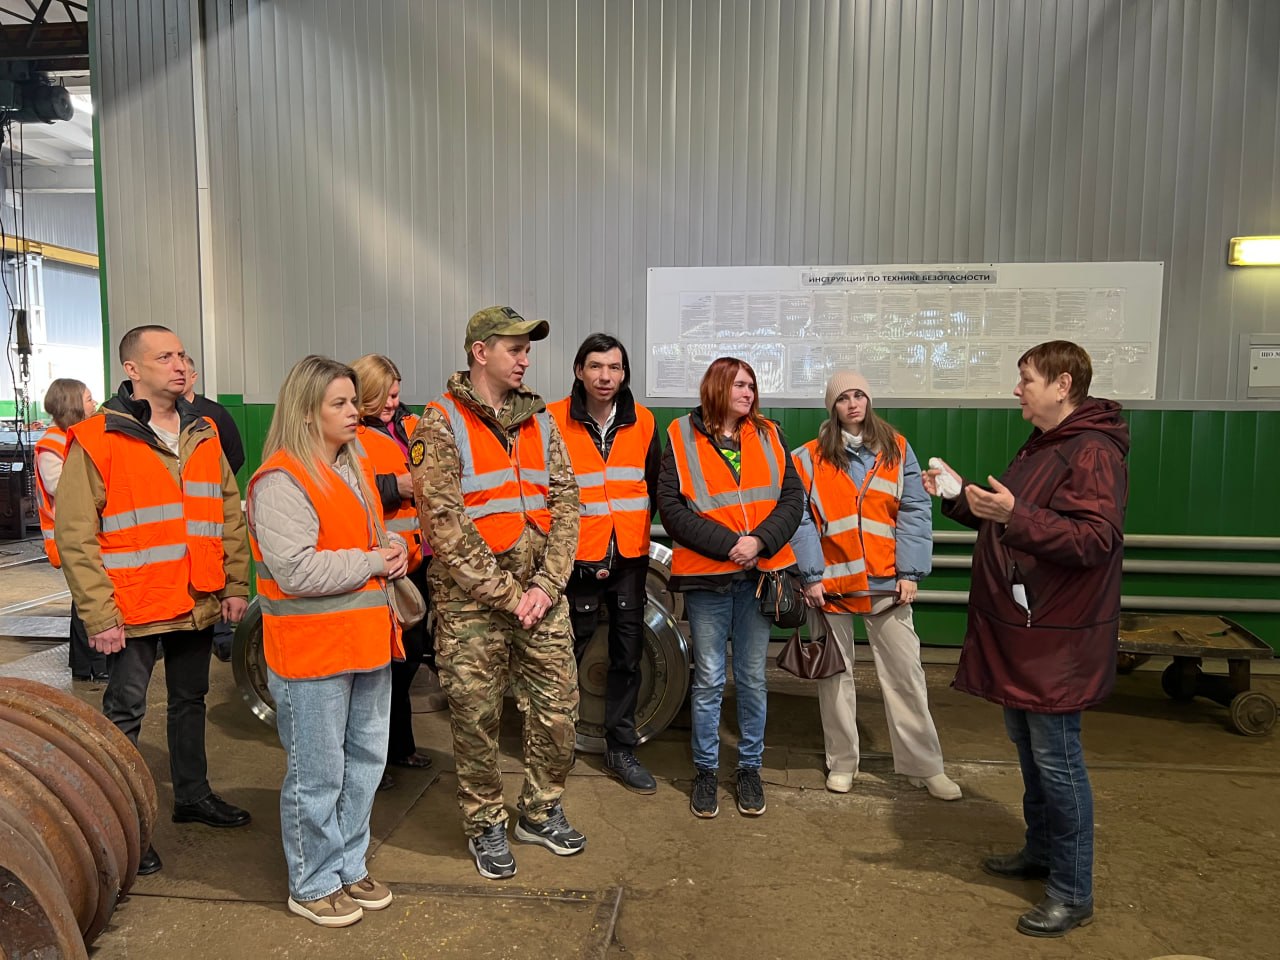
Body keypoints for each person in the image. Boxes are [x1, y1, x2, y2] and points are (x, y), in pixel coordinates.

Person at [923, 340, 1129, 938]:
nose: (1018, 390)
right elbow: (1009, 515)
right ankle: (1040, 853)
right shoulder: (1046, 445)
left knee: (1059, 762)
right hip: (1029, 632)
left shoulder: (1090, 451)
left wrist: (1014, 515)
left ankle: (1072, 891)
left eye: (1027, 379)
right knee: (1029, 749)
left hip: (1057, 639)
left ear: (1063, 385)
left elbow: (1093, 541)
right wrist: (960, 497)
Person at [55, 325, 253, 878]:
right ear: (132, 371)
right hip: (133, 607)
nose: (179, 365)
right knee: (125, 714)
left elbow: (228, 514)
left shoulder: (204, 433)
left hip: (194, 598)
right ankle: (125, 823)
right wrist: (99, 615)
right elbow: (75, 535)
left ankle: (192, 796)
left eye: (183, 356)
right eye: (163, 357)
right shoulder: (98, 438)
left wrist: (235, 585)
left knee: (190, 703)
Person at [409, 305, 583, 880]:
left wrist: (546, 585)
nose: (525, 357)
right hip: (473, 605)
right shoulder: (439, 422)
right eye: (514, 347)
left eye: (528, 348)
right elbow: (444, 525)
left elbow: (566, 503)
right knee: (476, 721)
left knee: (558, 713)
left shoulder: (541, 421)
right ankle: (485, 823)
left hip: (542, 596)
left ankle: (539, 810)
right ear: (480, 352)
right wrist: (512, 595)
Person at [246, 355, 407, 928]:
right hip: (311, 653)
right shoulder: (282, 480)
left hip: (365, 644)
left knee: (364, 763)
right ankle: (311, 881)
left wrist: (393, 545)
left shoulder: (352, 466)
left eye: (352, 401)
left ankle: (347, 863)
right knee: (317, 774)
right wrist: (373, 560)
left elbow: (364, 533)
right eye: (339, 403)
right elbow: (296, 571)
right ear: (307, 412)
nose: (353, 412)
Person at [789, 370, 961, 799]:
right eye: (844, 397)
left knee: (906, 676)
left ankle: (926, 767)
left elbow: (916, 510)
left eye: (860, 395)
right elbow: (801, 521)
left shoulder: (897, 449)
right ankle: (843, 762)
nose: (853, 404)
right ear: (833, 406)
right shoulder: (806, 457)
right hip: (830, 586)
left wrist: (910, 572)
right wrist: (811, 576)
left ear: (869, 401)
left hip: (889, 584)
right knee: (836, 679)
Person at [657, 357, 803, 819]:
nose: (749, 392)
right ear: (717, 387)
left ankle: (749, 769)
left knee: (754, 678)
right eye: (740, 384)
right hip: (709, 579)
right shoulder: (679, 435)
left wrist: (759, 542)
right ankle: (705, 770)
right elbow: (670, 507)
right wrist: (729, 546)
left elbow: (792, 497)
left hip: (761, 576)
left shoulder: (770, 433)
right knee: (709, 679)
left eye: (752, 385)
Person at [548, 334, 662, 795]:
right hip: (574, 559)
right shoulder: (552, 420)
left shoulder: (645, 421)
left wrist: (627, 533)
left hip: (629, 559)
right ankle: (556, 747)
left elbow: (651, 486)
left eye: (614, 368)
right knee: (562, 656)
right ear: (579, 370)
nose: (605, 376)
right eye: (595, 366)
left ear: (624, 373)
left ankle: (621, 748)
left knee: (627, 657)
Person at [350, 354, 437, 788]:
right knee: (383, 667)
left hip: (416, 561)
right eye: (383, 396)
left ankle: (400, 746)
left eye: (396, 395)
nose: (391, 403)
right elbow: (348, 489)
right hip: (380, 566)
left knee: (407, 659)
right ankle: (375, 759)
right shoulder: (352, 436)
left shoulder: (409, 427)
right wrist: (393, 487)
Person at [35, 378, 109, 682]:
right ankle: (94, 664)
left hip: (87, 533)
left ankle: (85, 666)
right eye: (89, 399)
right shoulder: (51, 445)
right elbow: (61, 487)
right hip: (69, 537)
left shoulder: (79, 436)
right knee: (87, 598)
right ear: (73, 405)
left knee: (84, 600)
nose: (94, 404)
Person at [181, 356, 246, 664]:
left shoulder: (213, 415)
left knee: (213, 566)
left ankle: (221, 634)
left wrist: (209, 486)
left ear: (194, 376)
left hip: (210, 512)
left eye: (183, 369)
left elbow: (234, 455)